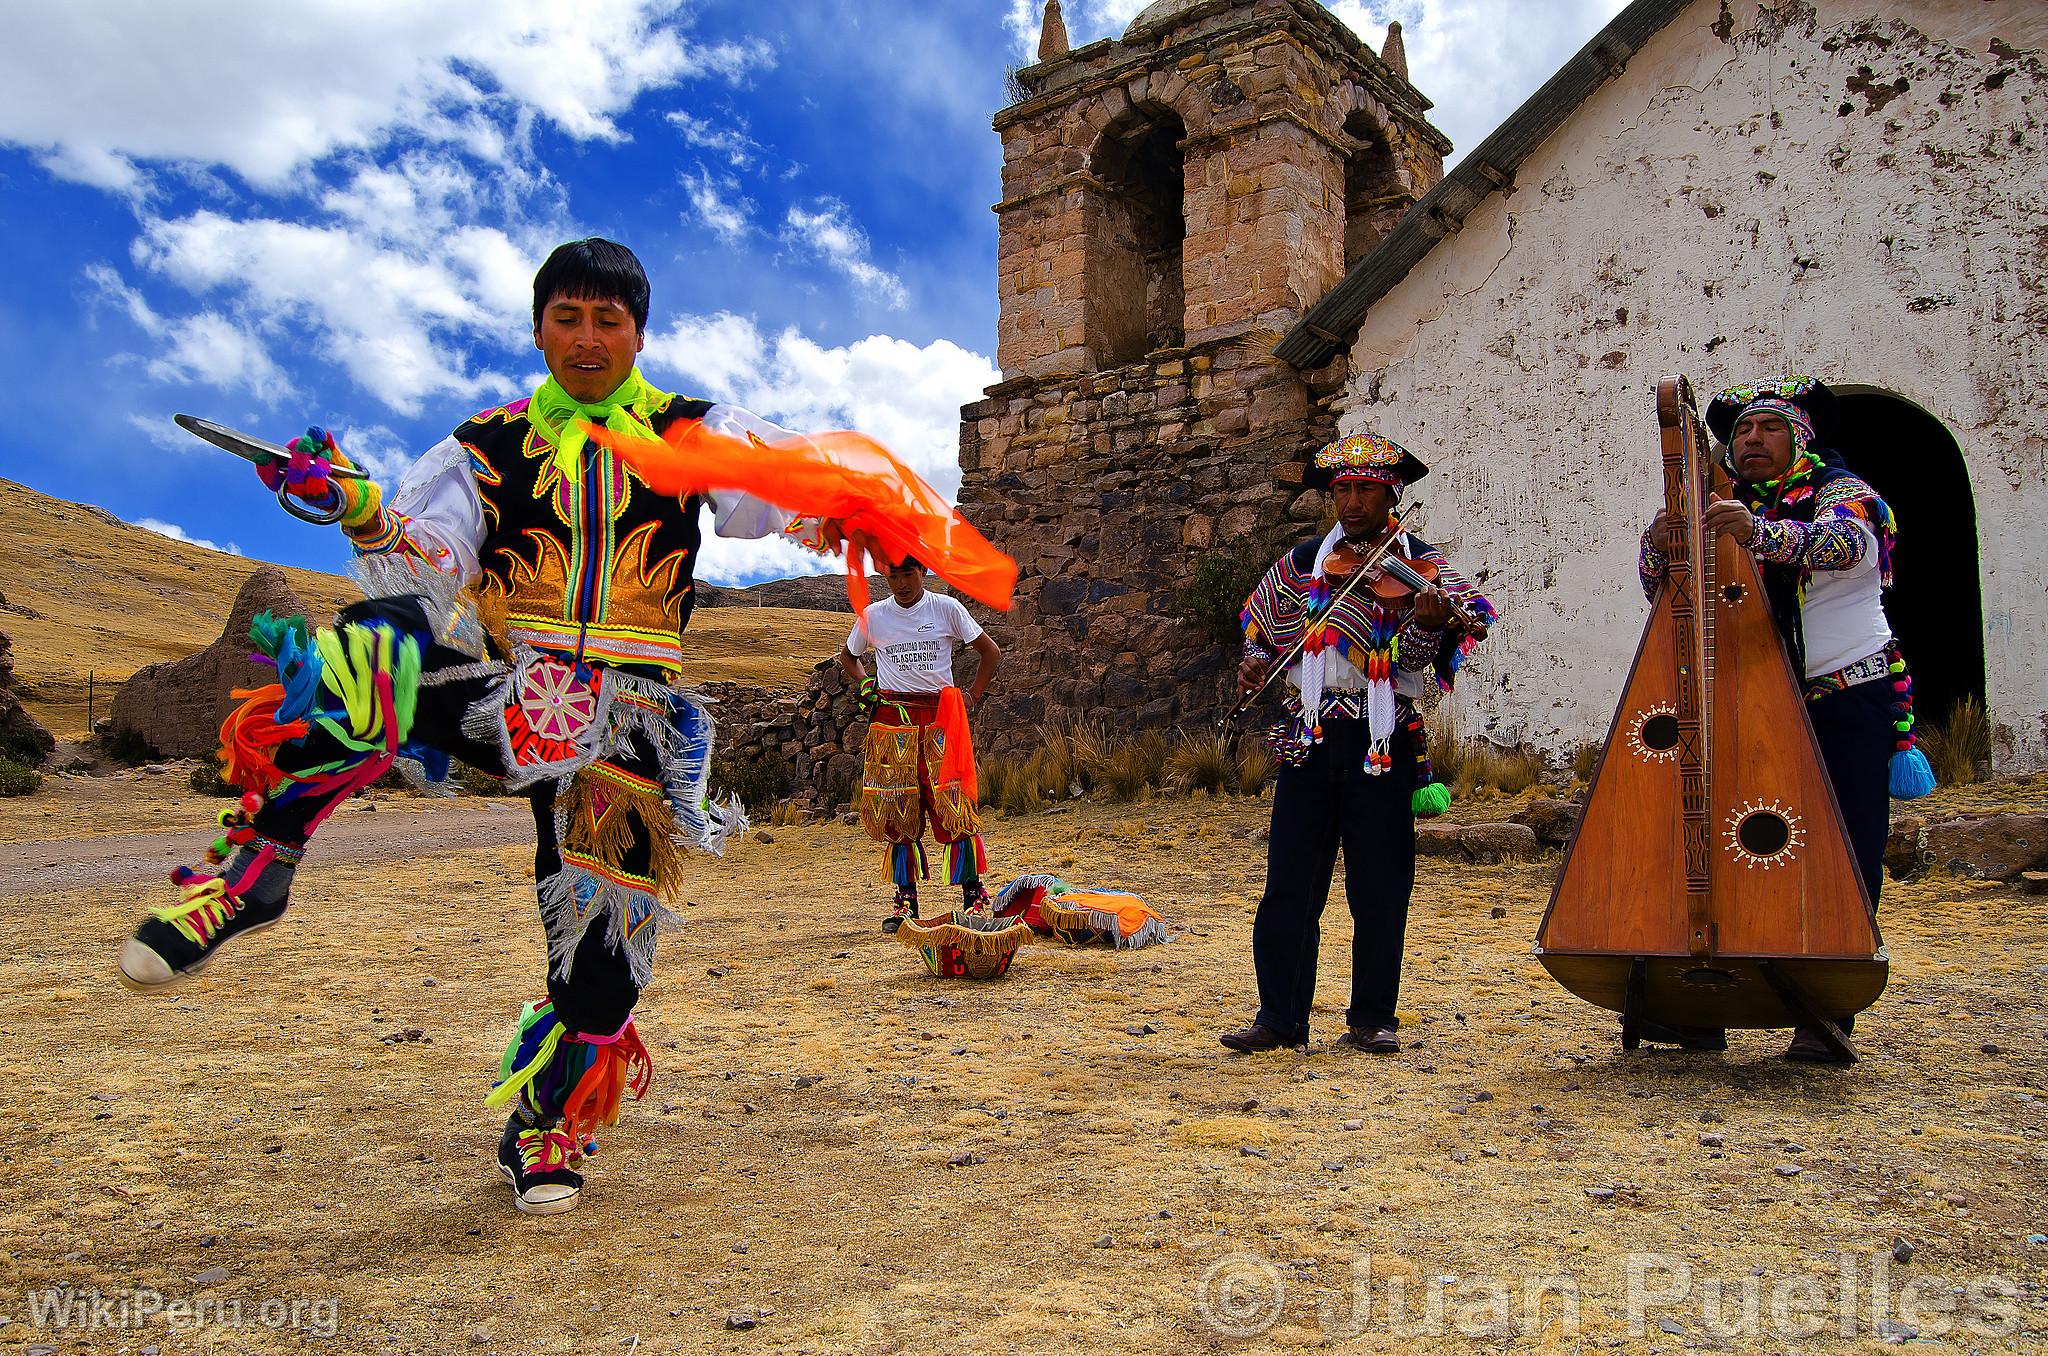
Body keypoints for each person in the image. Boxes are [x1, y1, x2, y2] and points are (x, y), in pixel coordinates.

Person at [117, 238, 830, 1213]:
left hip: (627, 732)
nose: (585, 338)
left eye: (606, 319)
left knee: (599, 983)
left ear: (638, 330)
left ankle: (544, 1119)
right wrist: (360, 510)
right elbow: (418, 567)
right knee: (383, 639)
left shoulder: (693, 432)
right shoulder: (481, 448)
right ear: (539, 328)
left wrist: (861, 507)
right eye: (566, 318)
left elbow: (793, 480)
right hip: (520, 705)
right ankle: (256, 869)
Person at [1638, 374, 1932, 1063]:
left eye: (1770, 427)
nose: (1752, 439)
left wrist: (1762, 532)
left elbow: (1852, 544)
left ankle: (1826, 1011)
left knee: (1842, 851)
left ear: (1801, 438)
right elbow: (1660, 591)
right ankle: (1709, 1005)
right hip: (1748, 699)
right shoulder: (1716, 502)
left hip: (1843, 699)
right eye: (1741, 430)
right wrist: (1661, 539)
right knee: (1732, 851)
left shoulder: (1840, 491)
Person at [1219, 433, 1493, 1055]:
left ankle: (1373, 1016)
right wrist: (1254, 662)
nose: (1351, 502)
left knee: (1380, 883)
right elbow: (1262, 630)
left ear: (1391, 492)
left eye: (1365, 489)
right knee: (1289, 880)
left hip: (1383, 738)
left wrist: (1426, 624)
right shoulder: (1301, 563)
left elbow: (1425, 665)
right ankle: (1279, 1017)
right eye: (1341, 489)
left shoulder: (1420, 567)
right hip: (1308, 733)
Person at [836, 556, 1002, 931]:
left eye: (908, 575)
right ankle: (905, 903)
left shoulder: (946, 608)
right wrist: (865, 682)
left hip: (940, 720)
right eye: (893, 576)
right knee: (896, 810)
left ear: (923, 572)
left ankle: (974, 897)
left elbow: (990, 652)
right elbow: (849, 656)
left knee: (953, 804)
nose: (901, 584)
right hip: (891, 721)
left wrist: (972, 696)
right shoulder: (873, 617)